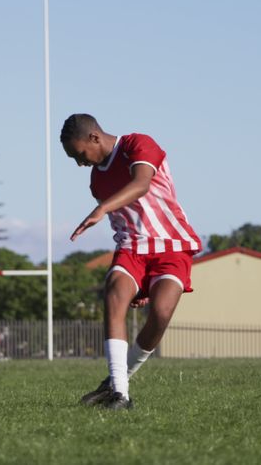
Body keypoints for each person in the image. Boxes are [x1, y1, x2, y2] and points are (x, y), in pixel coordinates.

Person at [60, 114, 202, 410]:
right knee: (114, 294)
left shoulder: (138, 144)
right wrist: (138, 281)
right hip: (133, 248)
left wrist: (101, 209)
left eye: (80, 154)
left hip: (171, 246)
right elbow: (124, 222)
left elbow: (140, 184)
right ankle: (120, 395)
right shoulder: (97, 179)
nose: (79, 163)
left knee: (161, 313)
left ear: (95, 138)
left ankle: (115, 381)